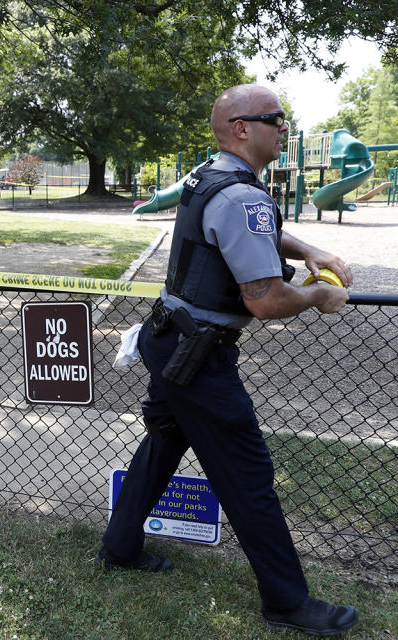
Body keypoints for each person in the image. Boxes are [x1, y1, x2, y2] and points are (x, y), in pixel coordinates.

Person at [97, 84, 359, 636]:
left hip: (166, 338)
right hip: (200, 358)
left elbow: (249, 233)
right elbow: (264, 300)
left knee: (165, 441)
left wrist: (309, 251)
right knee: (250, 476)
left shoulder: (208, 177)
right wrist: (318, 294)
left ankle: (120, 547)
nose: (285, 128)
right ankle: (287, 603)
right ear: (242, 128)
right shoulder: (242, 196)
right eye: (276, 119)